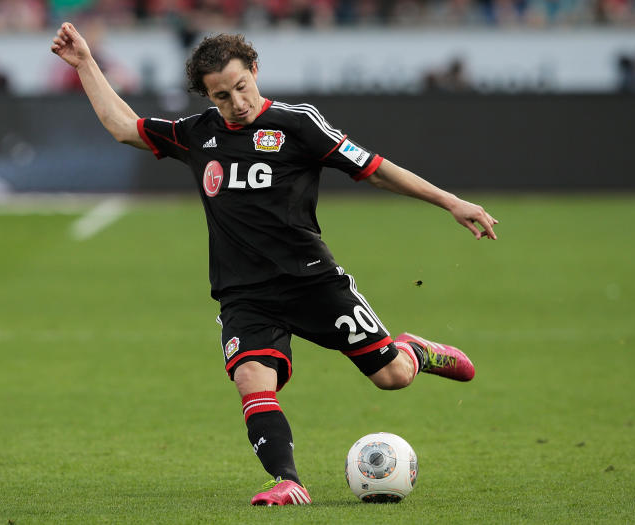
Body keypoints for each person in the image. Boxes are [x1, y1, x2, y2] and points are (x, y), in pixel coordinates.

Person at [51, 22, 498, 506]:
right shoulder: (197, 134)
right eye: (221, 96)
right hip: (244, 293)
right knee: (251, 378)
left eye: (241, 87)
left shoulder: (297, 124)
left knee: (391, 377)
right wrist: (85, 64)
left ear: (255, 71)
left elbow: (374, 169)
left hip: (312, 283)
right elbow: (124, 127)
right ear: (207, 96)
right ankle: (287, 480)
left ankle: (414, 350)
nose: (236, 102)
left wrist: (450, 201)